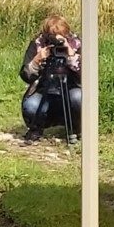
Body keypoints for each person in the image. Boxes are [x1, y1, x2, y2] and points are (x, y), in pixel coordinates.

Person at [20, 13, 82, 143]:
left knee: (79, 98)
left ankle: (76, 129)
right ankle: (36, 128)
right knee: (31, 105)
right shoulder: (38, 44)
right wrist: (37, 60)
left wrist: (70, 54)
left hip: (70, 89)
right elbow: (26, 76)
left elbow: (85, 74)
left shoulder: (76, 43)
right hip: (44, 90)